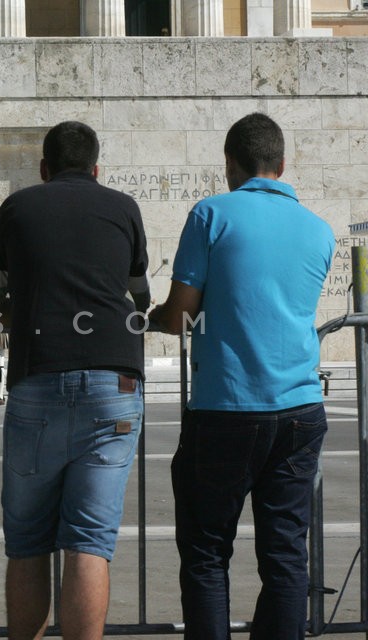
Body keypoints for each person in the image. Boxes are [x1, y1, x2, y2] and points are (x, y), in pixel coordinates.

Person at [149, 112, 335, 640]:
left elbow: (181, 314)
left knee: (207, 553)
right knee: (285, 555)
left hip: (226, 408)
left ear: (230, 164)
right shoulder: (319, 229)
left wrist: (154, 316)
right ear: (283, 163)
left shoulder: (211, 214)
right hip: (300, 409)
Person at [0, 121, 151, 640]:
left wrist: (25, 311)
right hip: (114, 384)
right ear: (97, 168)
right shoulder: (123, 208)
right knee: (89, 541)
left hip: (39, 378)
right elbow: (140, 298)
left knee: (28, 542)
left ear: (44, 169)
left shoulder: (18, 207)